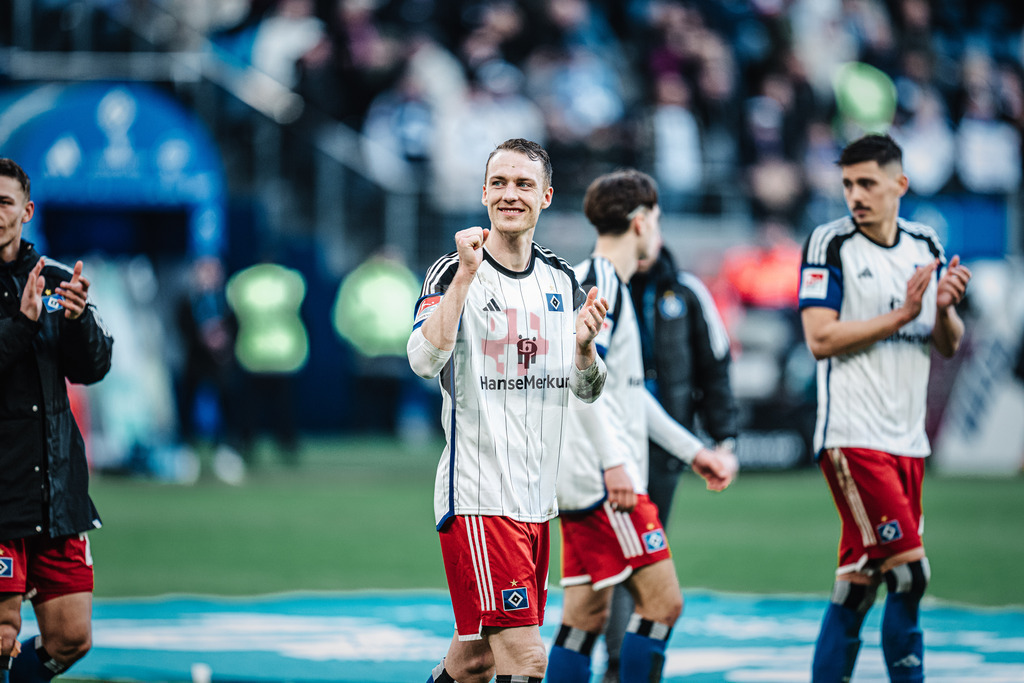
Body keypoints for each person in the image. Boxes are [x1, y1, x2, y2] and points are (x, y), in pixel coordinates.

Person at [406, 138, 609, 683]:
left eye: (523, 184)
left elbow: (588, 389)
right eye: (498, 183)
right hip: (479, 495)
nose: (509, 195)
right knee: (527, 659)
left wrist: (585, 349)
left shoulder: (561, 280)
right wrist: (466, 276)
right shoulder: (452, 271)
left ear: (546, 196)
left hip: (536, 503)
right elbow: (423, 360)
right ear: (483, 193)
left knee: (474, 661)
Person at [547, 169, 737, 683]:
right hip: (605, 482)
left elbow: (626, 393)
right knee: (663, 605)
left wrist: (694, 450)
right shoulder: (604, 282)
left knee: (584, 617)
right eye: (656, 218)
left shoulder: (598, 279)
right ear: (640, 221)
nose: (658, 228)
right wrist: (614, 464)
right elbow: (580, 381)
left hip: (585, 476)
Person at [798, 134, 971, 682]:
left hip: (907, 441)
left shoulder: (925, 245)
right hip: (853, 437)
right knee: (910, 575)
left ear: (900, 185)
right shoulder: (830, 244)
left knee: (859, 584)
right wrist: (901, 315)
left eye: (867, 183)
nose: (856, 195)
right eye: (848, 184)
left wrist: (943, 309)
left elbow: (947, 344)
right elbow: (819, 338)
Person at [601, 237, 739, 680]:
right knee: (620, 564)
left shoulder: (687, 293)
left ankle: (623, 665)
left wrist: (722, 439)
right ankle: (622, 665)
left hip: (664, 446)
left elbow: (715, 366)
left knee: (637, 557)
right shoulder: (595, 286)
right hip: (607, 444)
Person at [0, 158, 114, 683]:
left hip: (55, 490)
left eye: (4, 202)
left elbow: (94, 369)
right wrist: (23, 325)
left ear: (26, 211)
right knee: (2, 635)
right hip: (3, 492)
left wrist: (77, 321)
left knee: (71, 638)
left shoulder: (58, 279)